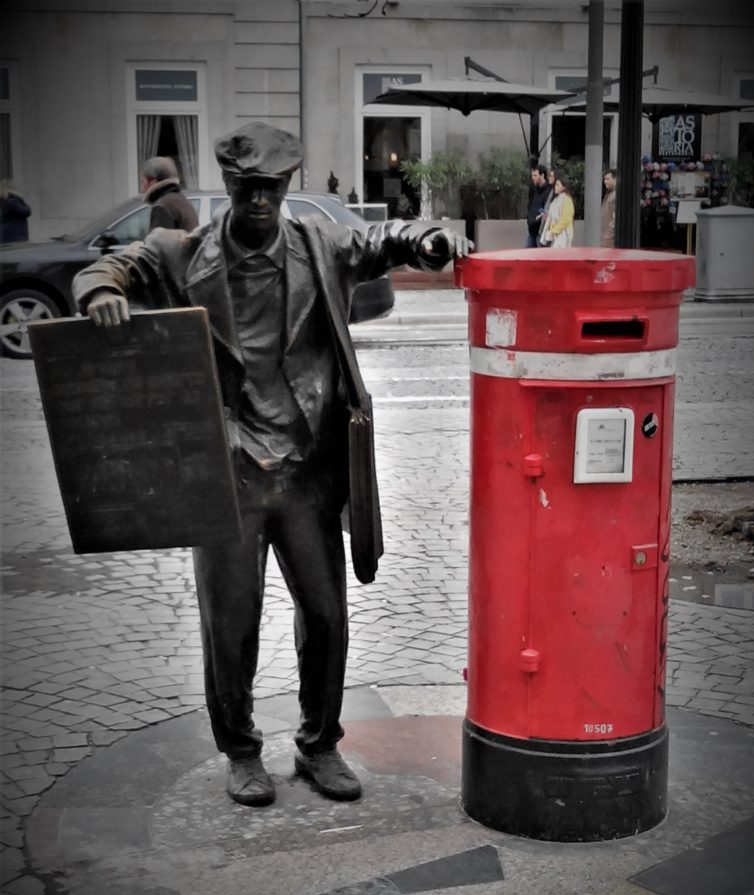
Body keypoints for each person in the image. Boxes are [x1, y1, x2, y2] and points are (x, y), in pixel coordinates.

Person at [73, 121, 472, 809]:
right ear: (228, 187)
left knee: (326, 616)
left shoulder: (321, 244)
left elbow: (386, 240)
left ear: (287, 188)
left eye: (273, 188)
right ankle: (240, 751)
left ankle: (320, 744)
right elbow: (107, 266)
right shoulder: (182, 252)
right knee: (230, 623)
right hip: (225, 472)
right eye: (248, 188)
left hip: (308, 471)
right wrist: (99, 293)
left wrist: (429, 237)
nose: (260, 201)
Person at [140, 156, 199, 232]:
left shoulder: (163, 206)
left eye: (142, 182)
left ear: (152, 181)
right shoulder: (181, 200)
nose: (142, 189)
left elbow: (157, 242)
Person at [540, 170, 575, 248]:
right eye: (555, 185)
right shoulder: (555, 201)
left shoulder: (566, 200)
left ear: (564, 187)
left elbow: (565, 219)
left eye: (558, 185)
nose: (555, 187)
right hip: (555, 236)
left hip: (563, 235)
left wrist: (553, 231)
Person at [525, 164, 552, 248]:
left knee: (540, 257)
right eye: (532, 175)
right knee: (526, 256)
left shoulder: (549, 190)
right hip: (531, 229)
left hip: (541, 231)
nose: (533, 178)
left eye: (535, 175)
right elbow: (530, 204)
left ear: (542, 175)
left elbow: (547, 209)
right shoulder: (533, 188)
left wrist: (539, 214)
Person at [601, 168, 617, 247]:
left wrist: (610, 232)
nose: (605, 181)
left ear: (615, 179)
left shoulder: (615, 195)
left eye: (607, 179)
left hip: (611, 237)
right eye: (604, 179)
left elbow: (616, 216)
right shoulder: (608, 194)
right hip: (606, 236)